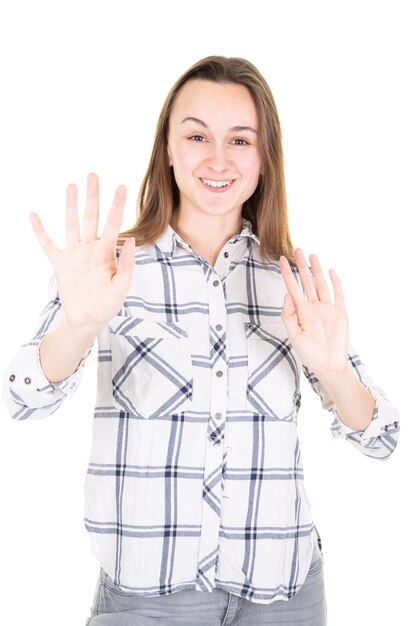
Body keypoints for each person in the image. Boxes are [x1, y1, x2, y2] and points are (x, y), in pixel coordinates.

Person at [2, 56, 400, 626]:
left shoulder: (288, 279)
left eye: (241, 139)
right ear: (167, 148)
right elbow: (23, 399)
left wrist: (336, 373)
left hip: (284, 595)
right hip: (148, 602)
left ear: (264, 158)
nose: (218, 159)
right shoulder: (108, 271)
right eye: (196, 136)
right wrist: (79, 324)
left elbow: (380, 439)